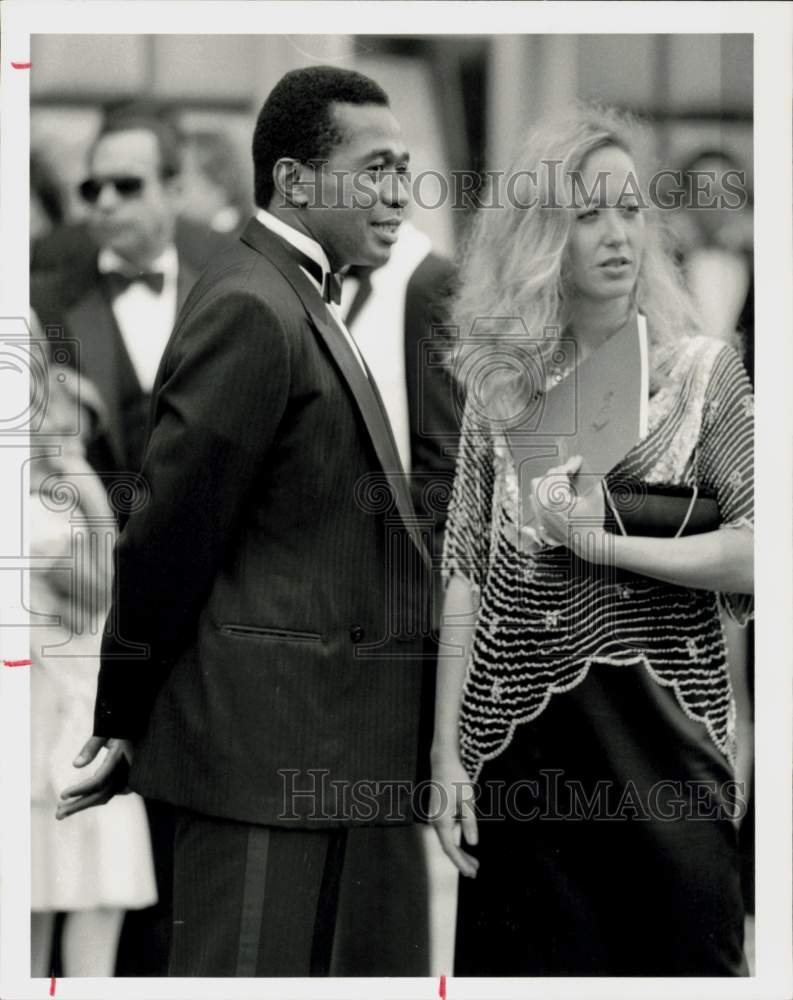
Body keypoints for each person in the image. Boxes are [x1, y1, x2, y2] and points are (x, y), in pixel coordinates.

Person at [57, 66, 430, 978]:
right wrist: (123, 717)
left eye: (404, 168)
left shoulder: (290, 295)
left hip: (318, 758)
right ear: (294, 182)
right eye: (376, 167)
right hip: (261, 762)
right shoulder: (253, 306)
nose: (398, 194)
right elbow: (168, 533)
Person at [430, 106, 754, 976]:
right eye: (586, 213)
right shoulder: (500, 386)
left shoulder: (701, 372)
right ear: (542, 235)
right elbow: (463, 567)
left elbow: (760, 551)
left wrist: (607, 544)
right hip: (520, 755)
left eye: (630, 209)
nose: (617, 235)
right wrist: (445, 755)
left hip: (666, 751)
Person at [32, 104, 205, 976]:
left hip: (208, 607)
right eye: (89, 185)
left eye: (126, 184)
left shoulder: (229, 275)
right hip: (77, 618)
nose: (101, 201)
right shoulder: (39, 290)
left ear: (175, 188)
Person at [331, 220, 459, 975]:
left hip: (395, 605)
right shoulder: (336, 280)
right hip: (341, 602)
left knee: (380, 836)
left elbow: (442, 457)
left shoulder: (425, 282)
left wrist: (422, 605)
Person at [30, 353, 156, 978]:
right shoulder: (35, 519)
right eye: (56, 432)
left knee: (94, 915)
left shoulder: (62, 515)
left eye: (80, 433)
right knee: (33, 929)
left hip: (79, 722)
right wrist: (88, 492)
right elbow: (103, 588)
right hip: (47, 734)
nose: (69, 448)